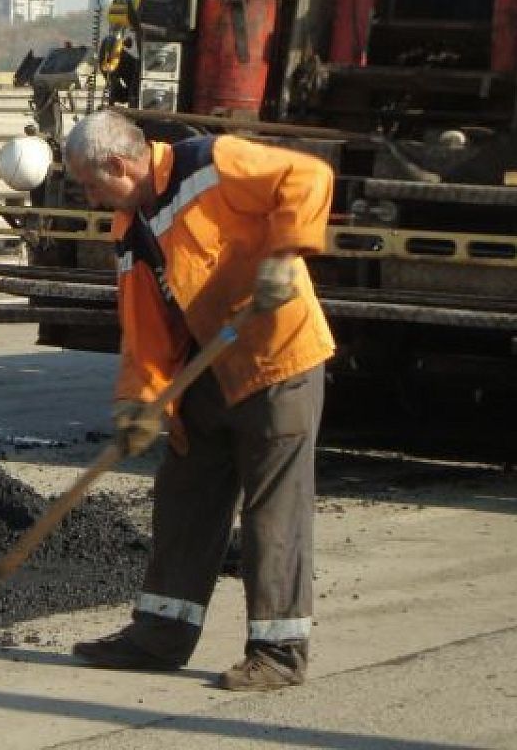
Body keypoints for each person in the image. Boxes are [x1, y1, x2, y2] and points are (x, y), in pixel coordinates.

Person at [62, 108, 335, 692]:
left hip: (275, 355)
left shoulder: (211, 162)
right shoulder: (130, 225)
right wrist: (138, 402)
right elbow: (147, 328)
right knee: (184, 495)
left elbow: (307, 176)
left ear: (118, 165)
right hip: (209, 368)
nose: (87, 196)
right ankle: (160, 636)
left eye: (89, 183)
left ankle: (279, 652)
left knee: (272, 508)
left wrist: (285, 255)